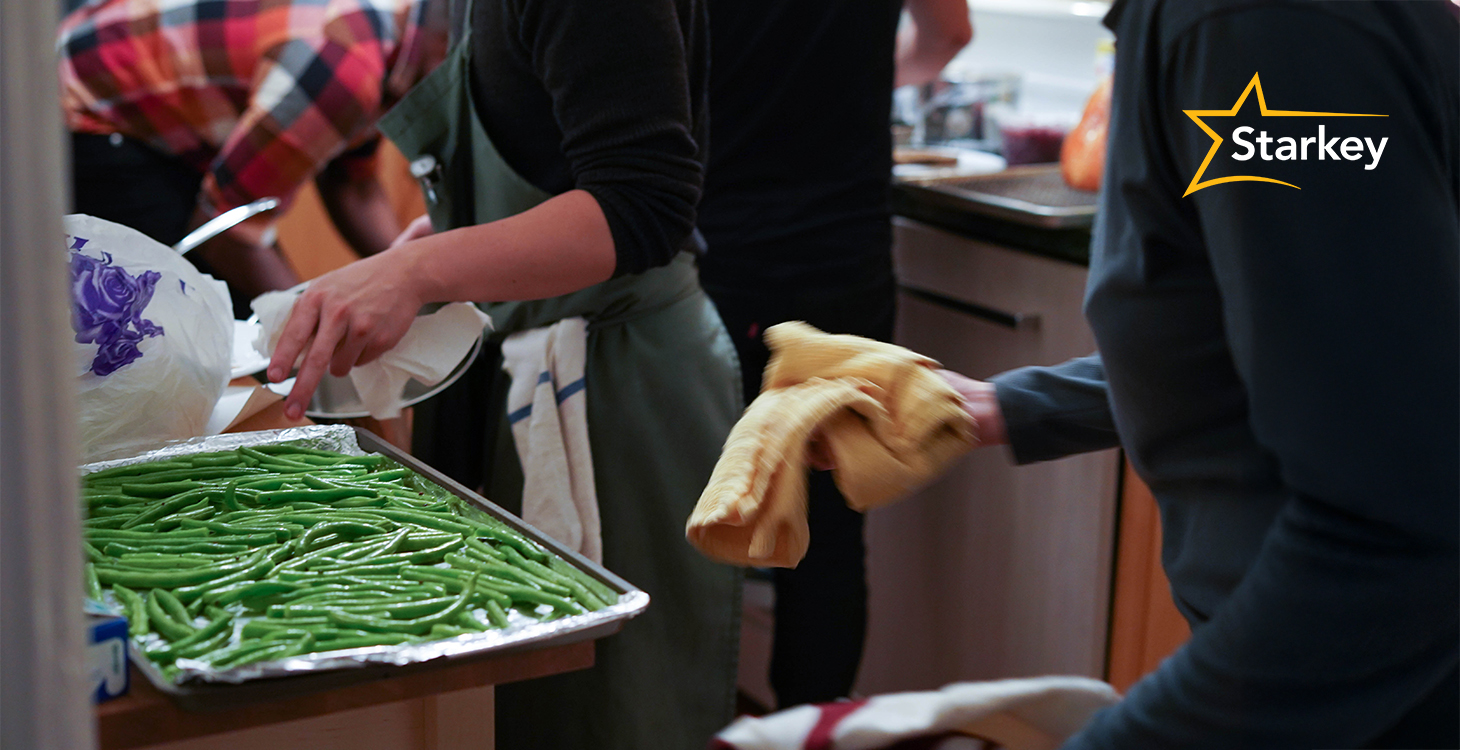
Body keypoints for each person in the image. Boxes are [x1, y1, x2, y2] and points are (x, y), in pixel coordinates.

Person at [934, 1, 1458, 746]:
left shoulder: (1258, 24)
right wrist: (1013, 406)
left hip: (1365, 686)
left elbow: (1391, 514)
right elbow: (1316, 348)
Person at [264, 0, 744, 747]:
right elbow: (545, 156)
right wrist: (425, 247)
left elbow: (642, 203)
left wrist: (418, 269)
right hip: (539, 361)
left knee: (625, 712)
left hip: (624, 389)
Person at [697, 0, 972, 708]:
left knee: (699, 511)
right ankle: (810, 730)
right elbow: (950, 35)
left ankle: (692, 721)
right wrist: (847, 81)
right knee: (830, 532)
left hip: (724, 256)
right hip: (844, 261)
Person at [57, 0, 448, 318]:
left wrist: (421, 279)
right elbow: (226, 229)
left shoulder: (392, 39)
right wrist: (317, 324)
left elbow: (353, 185)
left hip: (138, 106)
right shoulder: (345, 64)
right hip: (81, 109)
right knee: (211, 318)